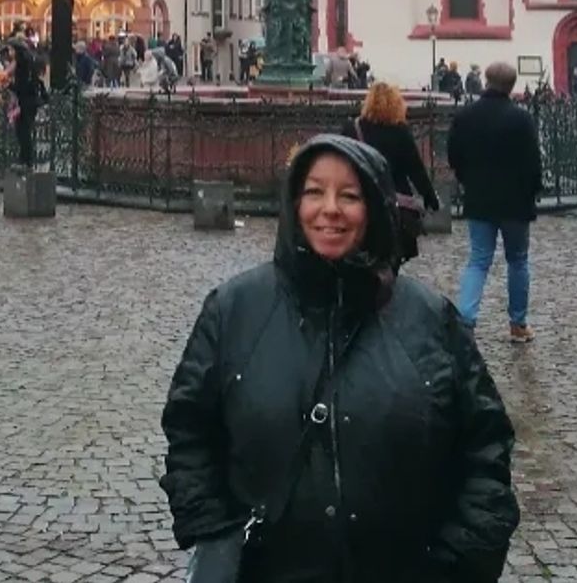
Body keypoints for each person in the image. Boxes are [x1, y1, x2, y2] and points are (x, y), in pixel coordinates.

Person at [160, 132, 519, 582]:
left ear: (373, 207)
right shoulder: (235, 310)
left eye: (349, 195)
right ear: (294, 204)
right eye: (314, 192)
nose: (330, 208)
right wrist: (215, 534)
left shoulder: (427, 320)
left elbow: (484, 447)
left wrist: (457, 563)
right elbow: (189, 429)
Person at [445, 62, 542, 342]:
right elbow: (533, 162)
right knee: (518, 260)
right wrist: (532, 191)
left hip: (479, 197)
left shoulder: (465, 116)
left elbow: (454, 156)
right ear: (512, 85)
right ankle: (518, 324)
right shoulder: (521, 118)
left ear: (486, 81)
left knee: (478, 260)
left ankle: (465, 321)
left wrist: (467, 181)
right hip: (516, 201)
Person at [351, 80, 441, 263]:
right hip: (395, 202)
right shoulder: (400, 132)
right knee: (393, 252)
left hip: (362, 197)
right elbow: (415, 169)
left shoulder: (353, 129)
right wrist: (430, 198)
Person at [8, 32, 46, 170]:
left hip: (27, 101)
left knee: (23, 131)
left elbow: (23, 84)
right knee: (22, 130)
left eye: (11, 50)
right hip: (29, 100)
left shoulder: (23, 64)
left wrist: (11, 86)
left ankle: (26, 160)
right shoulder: (29, 60)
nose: (9, 52)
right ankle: (24, 159)